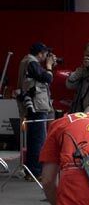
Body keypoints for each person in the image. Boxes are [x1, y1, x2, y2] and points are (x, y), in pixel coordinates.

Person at [16, 42, 56, 180]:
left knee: (34, 138)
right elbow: (48, 78)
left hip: (31, 104)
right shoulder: (32, 63)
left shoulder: (25, 61)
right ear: (41, 53)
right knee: (38, 139)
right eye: (46, 54)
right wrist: (49, 67)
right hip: (37, 105)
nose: (47, 57)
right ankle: (36, 171)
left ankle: (31, 170)